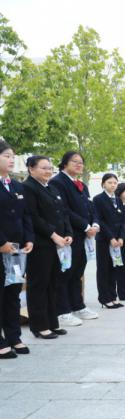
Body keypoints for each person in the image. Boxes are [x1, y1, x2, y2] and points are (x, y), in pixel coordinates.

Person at [23, 155, 73, 339]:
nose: (48, 171)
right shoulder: (28, 188)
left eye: (50, 168)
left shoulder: (51, 187)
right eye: (43, 168)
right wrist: (53, 235)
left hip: (58, 244)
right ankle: (39, 325)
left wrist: (68, 233)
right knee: (39, 285)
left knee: (53, 284)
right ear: (31, 168)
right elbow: (33, 217)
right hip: (41, 244)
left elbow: (63, 213)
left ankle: (52, 322)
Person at [49, 151, 100, 327]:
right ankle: (62, 311)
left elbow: (91, 207)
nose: (79, 165)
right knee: (65, 273)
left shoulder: (82, 185)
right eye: (74, 161)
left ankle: (77, 306)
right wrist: (85, 226)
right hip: (69, 235)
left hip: (84, 236)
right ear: (64, 164)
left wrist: (95, 224)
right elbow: (64, 210)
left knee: (78, 272)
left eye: (81, 162)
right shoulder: (57, 182)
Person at [0, 142, 34, 357]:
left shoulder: (17, 185)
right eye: (6, 155)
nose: (11, 159)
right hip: (2, 247)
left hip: (16, 250)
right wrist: (1, 242)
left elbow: (25, 215)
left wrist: (29, 238)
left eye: (13, 156)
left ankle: (14, 336)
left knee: (13, 292)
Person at [93, 174, 125, 309]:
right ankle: (104, 298)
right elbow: (99, 220)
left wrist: (121, 237)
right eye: (109, 182)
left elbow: (123, 220)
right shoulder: (98, 199)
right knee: (104, 269)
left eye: (115, 183)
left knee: (114, 268)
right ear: (103, 184)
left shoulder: (118, 199)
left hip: (117, 241)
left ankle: (113, 296)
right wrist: (111, 237)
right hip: (105, 240)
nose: (113, 185)